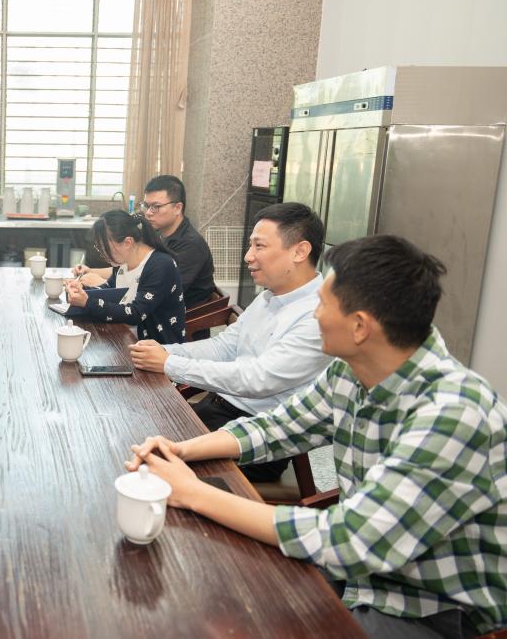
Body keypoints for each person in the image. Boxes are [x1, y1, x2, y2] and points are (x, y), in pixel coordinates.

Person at [126, 235, 506, 639]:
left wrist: (193, 493)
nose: (315, 315)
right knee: (223, 597)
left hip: (434, 609)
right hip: (361, 575)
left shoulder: (452, 413)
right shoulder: (350, 370)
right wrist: (181, 450)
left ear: (360, 326)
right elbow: (277, 427)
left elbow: (349, 539)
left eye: (322, 304)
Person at [130, 202, 331, 482]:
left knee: (149, 467)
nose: (248, 256)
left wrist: (169, 364)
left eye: (259, 246)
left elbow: (257, 379)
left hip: (259, 437)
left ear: (300, 251)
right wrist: (164, 351)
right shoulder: (269, 296)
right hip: (220, 407)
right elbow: (223, 347)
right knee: (134, 432)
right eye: (251, 246)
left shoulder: (319, 315)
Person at [73, 176, 215, 308]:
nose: (148, 213)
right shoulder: (157, 233)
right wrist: (91, 271)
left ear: (177, 208)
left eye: (156, 207)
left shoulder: (191, 246)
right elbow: (130, 268)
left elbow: (160, 291)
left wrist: (102, 284)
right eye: (146, 205)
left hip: (177, 318)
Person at [64, 210, 186, 344]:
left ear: (128, 242)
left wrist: (87, 302)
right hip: (123, 337)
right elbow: (110, 291)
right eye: (99, 249)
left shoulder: (161, 265)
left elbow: (135, 313)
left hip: (156, 348)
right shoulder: (123, 262)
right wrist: (81, 290)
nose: (103, 254)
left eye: (106, 249)